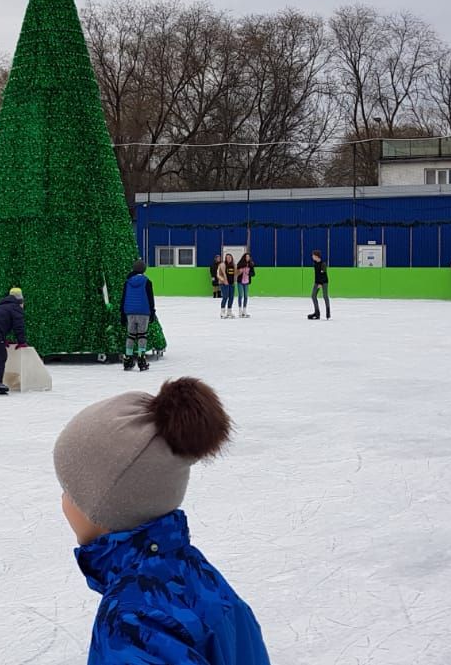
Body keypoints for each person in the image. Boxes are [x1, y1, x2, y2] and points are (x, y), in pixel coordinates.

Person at [53, 377, 270, 663]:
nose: (62, 500)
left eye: (69, 490)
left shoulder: (132, 623)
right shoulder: (196, 576)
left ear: (103, 510)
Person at [119, 261, 156, 372]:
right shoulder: (147, 282)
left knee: (130, 335)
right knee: (142, 335)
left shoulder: (128, 282)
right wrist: (152, 311)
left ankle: (128, 358)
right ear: (144, 270)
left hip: (130, 311)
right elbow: (150, 298)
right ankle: (141, 358)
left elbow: (124, 297)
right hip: (143, 312)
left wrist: (122, 312)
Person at [309, 250, 329, 320]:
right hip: (317, 281)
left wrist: (320, 283)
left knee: (325, 296)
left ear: (316, 256)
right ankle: (317, 313)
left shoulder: (323, 264)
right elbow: (317, 275)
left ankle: (328, 312)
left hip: (324, 282)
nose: (312, 257)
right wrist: (317, 283)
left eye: (313, 255)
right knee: (313, 296)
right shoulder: (315, 263)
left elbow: (323, 275)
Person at [215, 253, 237, 319]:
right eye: (227, 257)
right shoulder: (222, 265)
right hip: (223, 283)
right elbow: (218, 274)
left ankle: (229, 312)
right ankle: (222, 312)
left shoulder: (234, 265)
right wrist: (224, 280)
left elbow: (235, 274)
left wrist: (235, 281)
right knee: (225, 297)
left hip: (231, 284)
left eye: (230, 257)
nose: (228, 259)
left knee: (231, 297)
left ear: (232, 258)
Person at [236, 253, 255, 318]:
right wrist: (239, 271)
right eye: (246, 257)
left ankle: (244, 311)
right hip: (240, 282)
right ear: (244, 257)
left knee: (246, 296)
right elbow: (236, 272)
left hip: (246, 282)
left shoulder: (251, 264)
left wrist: (249, 273)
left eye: (248, 257)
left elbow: (253, 274)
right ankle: (240, 311)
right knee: (240, 296)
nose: (247, 258)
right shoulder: (240, 264)